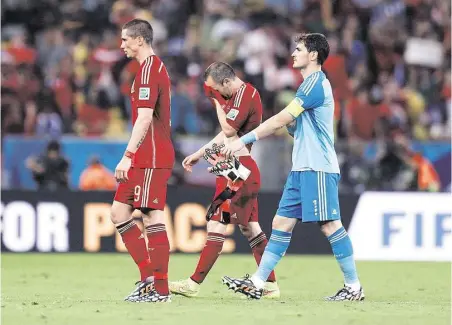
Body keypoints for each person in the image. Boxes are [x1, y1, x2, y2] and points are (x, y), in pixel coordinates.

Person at [220, 33, 364, 301]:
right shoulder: (307, 86)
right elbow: (296, 127)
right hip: (302, 168)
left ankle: (354, 287)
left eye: (298, 49)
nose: (293, 54)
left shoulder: (315, 84)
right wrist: (292, 125)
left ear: (313, 55)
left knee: (330, 225)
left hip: (317, 167)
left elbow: (280, 120)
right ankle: (258, 282)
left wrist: (244, 140)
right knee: (281, 222)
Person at [169, 62, 280, 299]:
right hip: (236, 169)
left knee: (217, 226)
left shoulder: (245, 95)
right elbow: (225, 135)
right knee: (250, 228)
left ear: (226, 82)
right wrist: (200, 154)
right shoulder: (236, 97)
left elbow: (229, 131)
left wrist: (217, 103)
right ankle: (270, 284)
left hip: (237, 171)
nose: (215, 95)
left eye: (215, 90)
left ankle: (193, 283)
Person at [111, 19, 174, 303]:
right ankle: (148, 278)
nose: (122, 45)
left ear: (139, 40)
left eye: (125, 39)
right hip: (144, 155)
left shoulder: (149, 71)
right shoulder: (148, 69)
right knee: (118, 214)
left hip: (151, 156)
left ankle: (161, 290)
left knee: (151, 217)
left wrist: (127, 156)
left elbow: (145, 118)